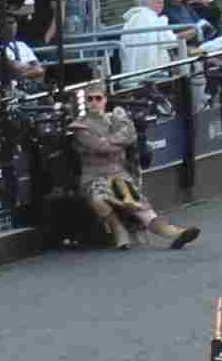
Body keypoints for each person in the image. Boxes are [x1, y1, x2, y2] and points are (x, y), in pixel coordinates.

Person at [71, 80, 196, 251]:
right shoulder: (79, 126)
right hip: (94, 177)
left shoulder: (116, 118)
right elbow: (100, 147)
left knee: (137, 205)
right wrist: (117, 142)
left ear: (105, 100)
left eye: (98, 98)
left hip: (118, 174)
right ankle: (118, 230)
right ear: (85, 102)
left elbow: (130, 136)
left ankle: (174, 233)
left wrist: (111, 139)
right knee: (99, 200)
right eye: (89, 99)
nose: (94, 102)